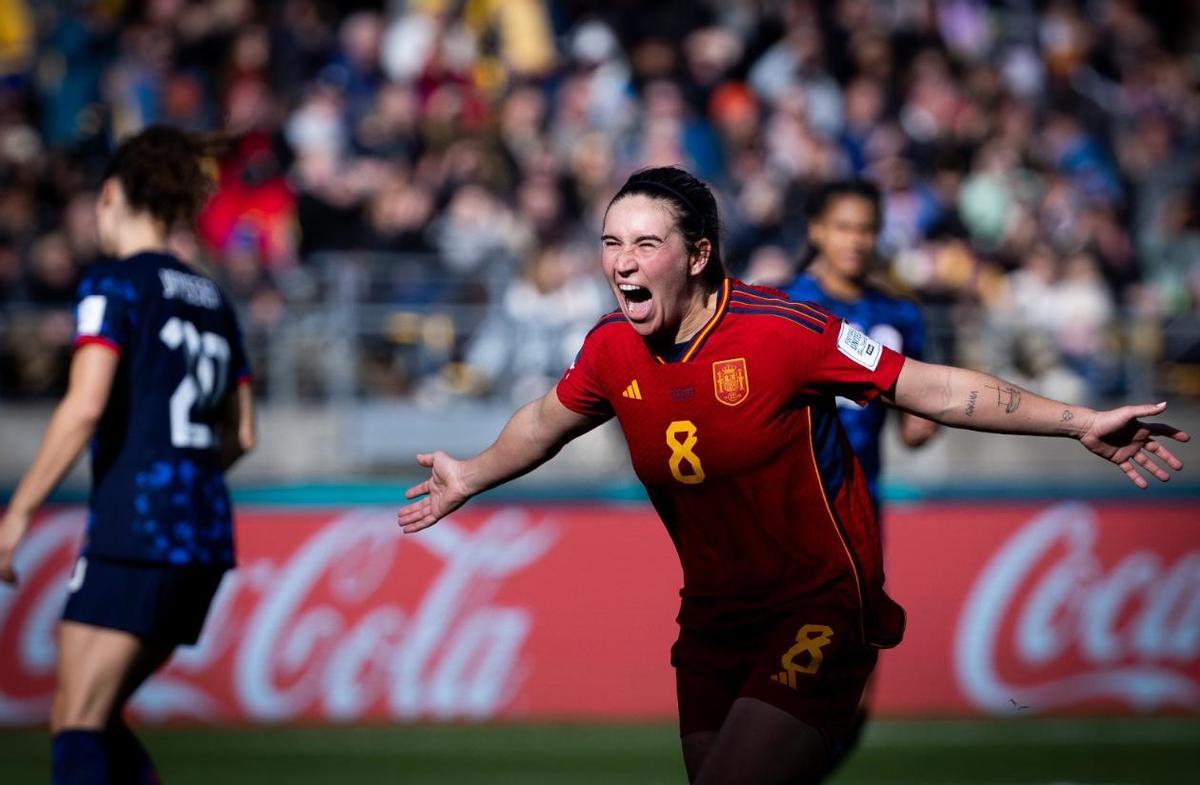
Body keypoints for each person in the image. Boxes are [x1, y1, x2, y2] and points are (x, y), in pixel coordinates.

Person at [396, 166, 1187, 785]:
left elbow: (932, 389)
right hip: (711, 619)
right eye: (610, 243)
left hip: (816, 604)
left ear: (698, 254)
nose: (621, 263)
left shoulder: (787, 333)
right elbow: (542, 422)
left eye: (645, 245)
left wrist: (1080, 421)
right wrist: (469, 474)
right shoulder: (610, 349)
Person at [0, 126, 255, 785]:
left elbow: (85, 405)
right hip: (204, 530)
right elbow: (243, 434)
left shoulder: (113, 283)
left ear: (110, 194)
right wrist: (187, 471)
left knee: (77, 719)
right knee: (93, 714)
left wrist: (18, 513)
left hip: (137, 524)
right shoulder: (216, 300)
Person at [782, 179, 938, 509]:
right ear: (816, 230)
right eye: (843, 228)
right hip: (791, 501)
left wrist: (926, 420)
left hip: (862, 497)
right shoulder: (782, 307)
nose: (855, 241)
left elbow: (912, 428)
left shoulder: (900, 315)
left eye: (865, 229)